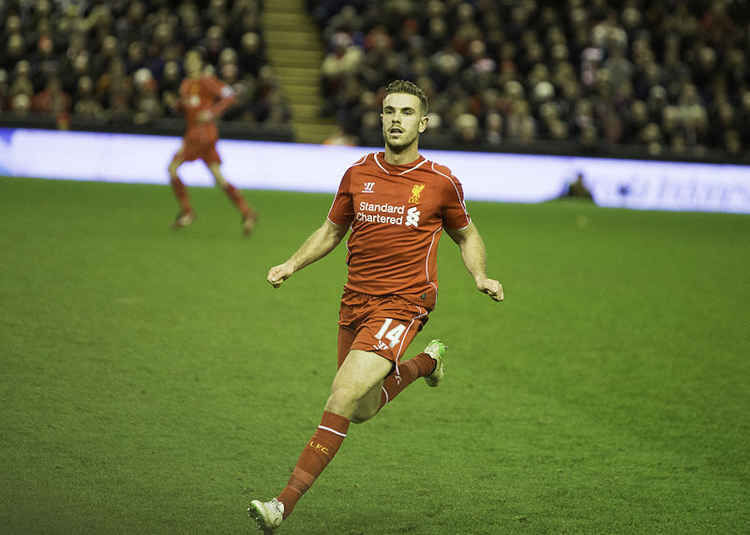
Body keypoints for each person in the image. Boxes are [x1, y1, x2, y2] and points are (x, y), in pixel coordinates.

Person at [248, 80, 503, 532]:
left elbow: (466, 233)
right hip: (355, 303)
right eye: (389, 111)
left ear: (422, 123)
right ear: (381, 118)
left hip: (404, 304)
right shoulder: (357, 173)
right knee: (362, 409)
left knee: (342, 395)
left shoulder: (440, 182)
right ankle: (427, 363)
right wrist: (292, 263)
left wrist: (479, 275)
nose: (396, 120)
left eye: (406, 112)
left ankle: (281, 505)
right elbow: (331, 230)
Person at [168, 50, 257, 235]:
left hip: (201, 135)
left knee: (173, 168)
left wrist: (212, 112)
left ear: (200, 63)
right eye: (188, 59)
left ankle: (187, 212)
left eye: (194, 60)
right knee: (218, 177)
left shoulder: (206, 81)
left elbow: (230, 96)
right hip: (195, 134)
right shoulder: (185, 85)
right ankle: (247, 212)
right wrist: (175, 105)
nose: (190, 63)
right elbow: (187, 108)